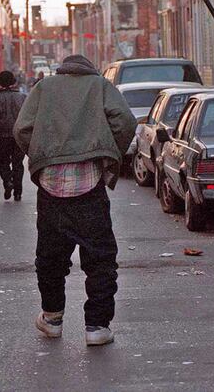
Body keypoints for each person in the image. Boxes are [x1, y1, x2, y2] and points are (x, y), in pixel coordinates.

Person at [13, 54, 137, 347]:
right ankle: (96, 326)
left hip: (50, 189)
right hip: (90, 187)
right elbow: (126, 122)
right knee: (100, 258)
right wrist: (109, 152)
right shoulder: (99, 86)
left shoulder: (44, 88)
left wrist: (43, 155)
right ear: (89, 69)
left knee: (50, 258)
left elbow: (22, 129)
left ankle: (52, 318)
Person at [0, 71, 28, 201]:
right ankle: (18, 192)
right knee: (18, 163)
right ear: (13, 82)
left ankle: (8, 181)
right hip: (18, 135)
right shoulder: (23, 97)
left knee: (2, 162)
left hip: (3, 135)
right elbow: (28, 117)